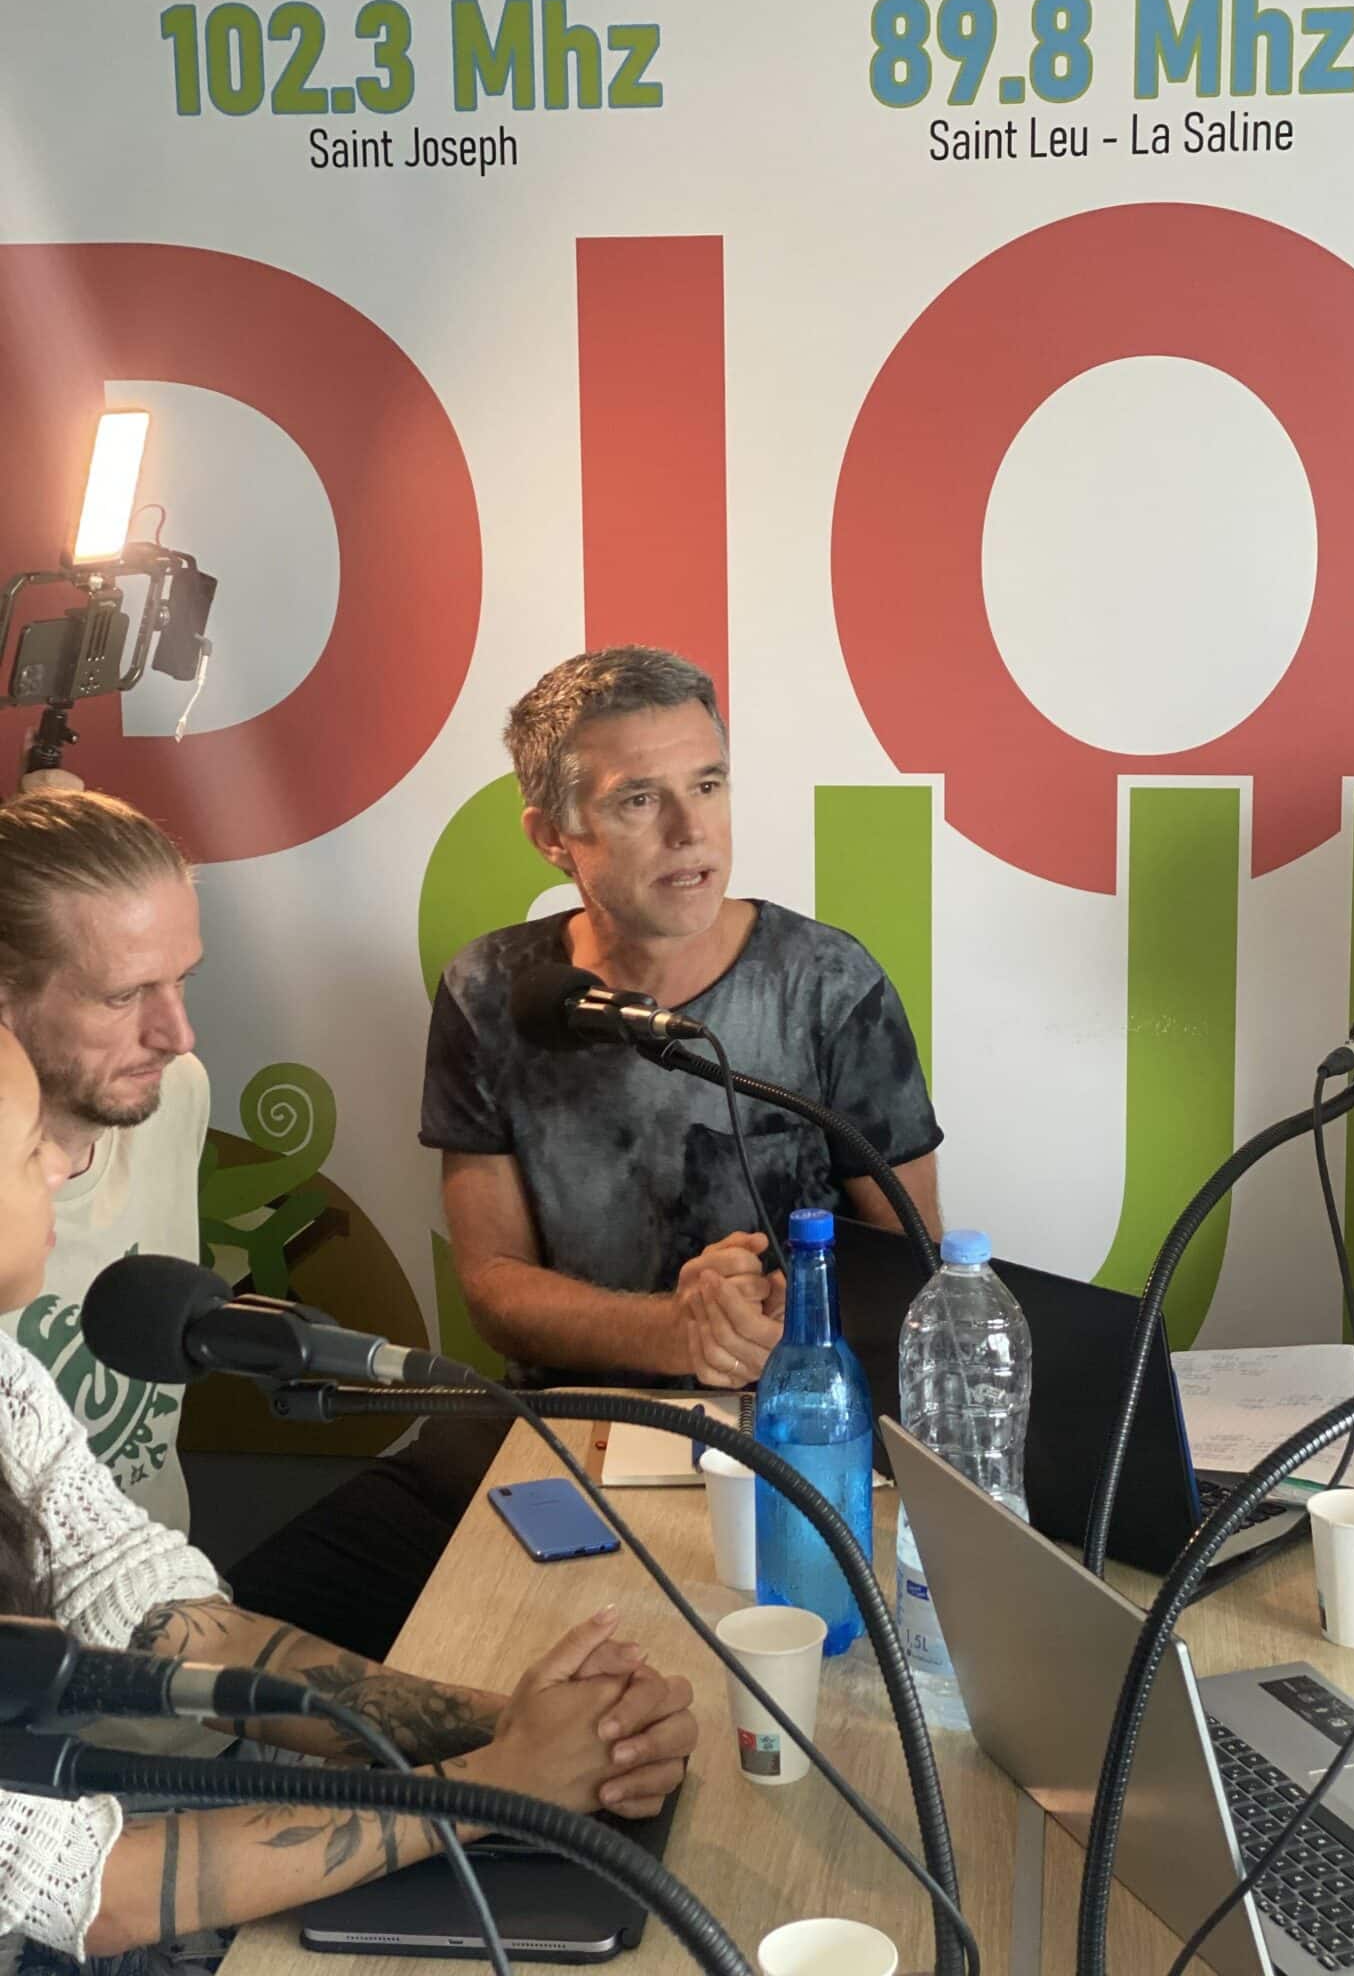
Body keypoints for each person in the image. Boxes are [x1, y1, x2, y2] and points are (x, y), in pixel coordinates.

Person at [229, 645, 942, 1657]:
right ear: (553, 836)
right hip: (554, 1421)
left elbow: (919, 1265)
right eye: (640, 800)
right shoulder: (491, 989)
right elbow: (493, 1286)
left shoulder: (829, 983)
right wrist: (672, 1332)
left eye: (708, 784)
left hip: (788, 1430)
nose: (693, 831)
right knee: (241, 1625)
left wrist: (786, 1315)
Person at [0, 1021, 696, 1974]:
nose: (58, 1168)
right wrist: (497, 1782)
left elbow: (158, 1614)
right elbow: (87, 1890)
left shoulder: (7, 1378)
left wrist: (559, 1730)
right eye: (27, 1146)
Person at [0, 791, 207, 1533]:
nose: (177, 1035)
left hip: (173, 1582)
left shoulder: (175, 1093)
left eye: (182, 980)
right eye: (123, 997)